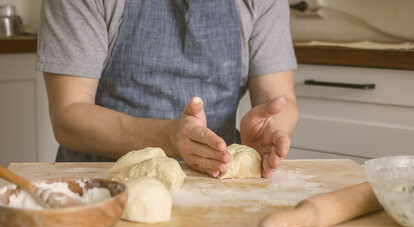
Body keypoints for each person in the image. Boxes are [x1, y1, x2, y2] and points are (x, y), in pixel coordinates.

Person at [36, 0, 299, 178]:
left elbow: (279, 97)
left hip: (219, 183)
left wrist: (270, 126)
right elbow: (68, 114)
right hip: (99, 184)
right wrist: (171, 138)